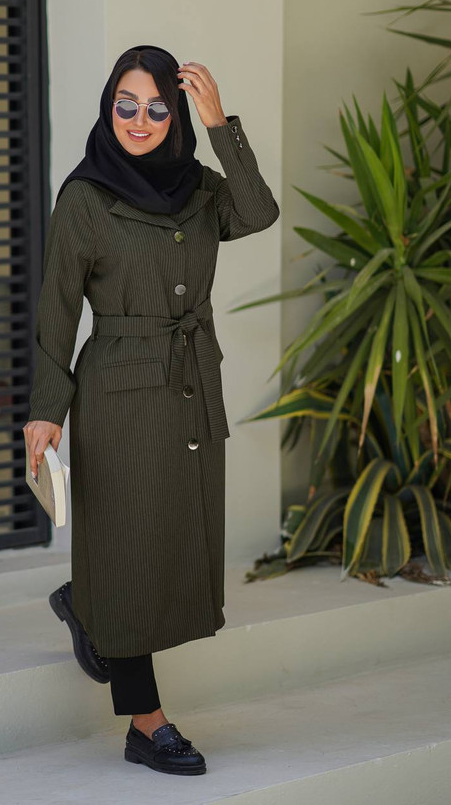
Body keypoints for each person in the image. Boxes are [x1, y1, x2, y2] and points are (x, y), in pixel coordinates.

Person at [24, 44, 279, 776]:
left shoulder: (199, 188)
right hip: (117, 394)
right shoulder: (85, 198)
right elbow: (57, 308)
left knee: (170, 536)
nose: (140, 120)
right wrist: (47, 409)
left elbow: (258, 211)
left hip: (191, 383)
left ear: (178, 115)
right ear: (109, 107)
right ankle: (146, 724)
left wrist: (220, 122)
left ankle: (87, 602)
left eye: (158, 108)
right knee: (129, 543)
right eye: (126, 104)